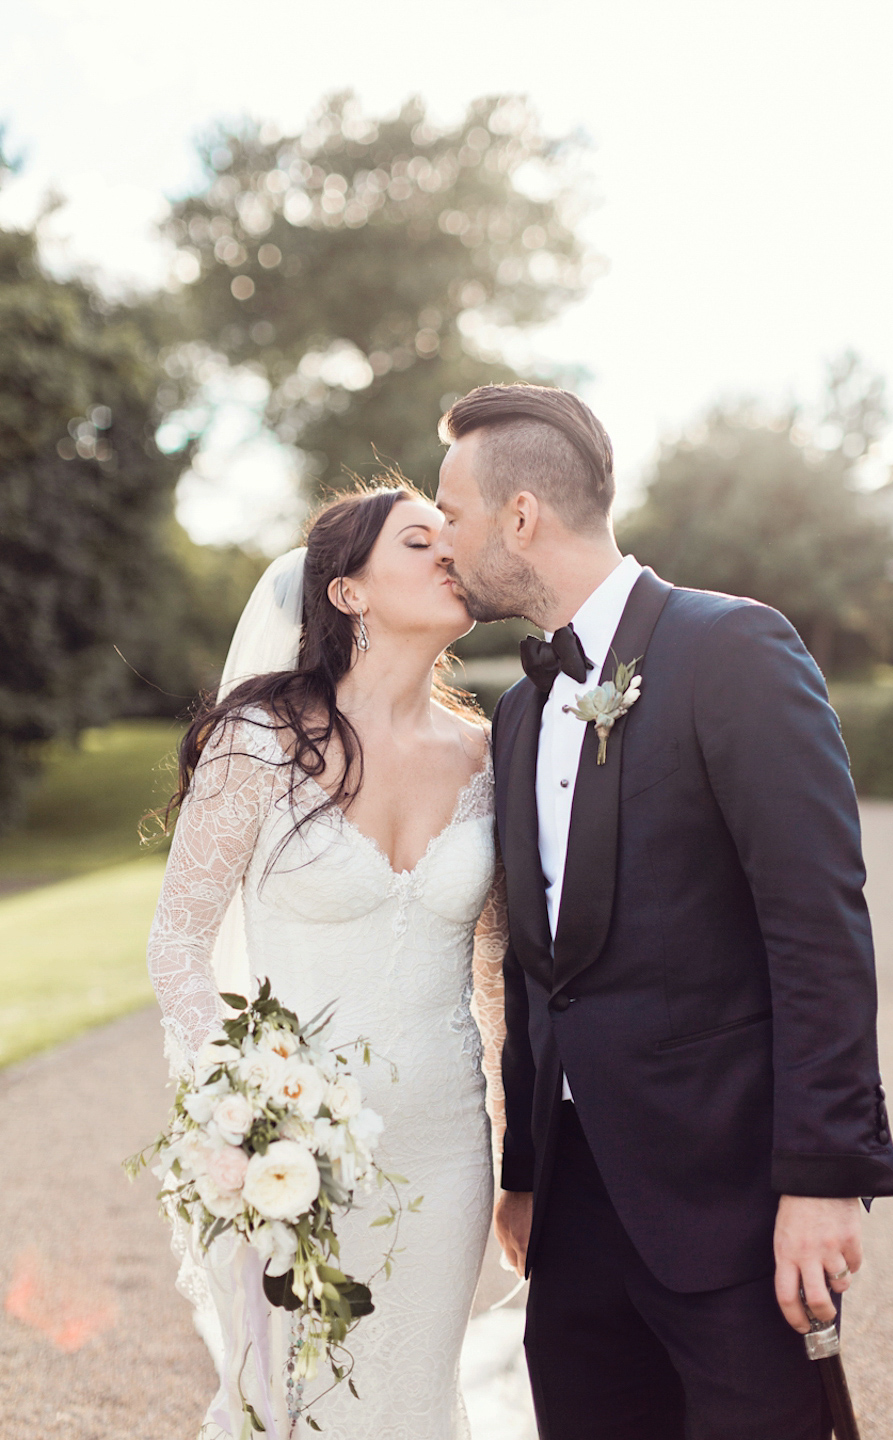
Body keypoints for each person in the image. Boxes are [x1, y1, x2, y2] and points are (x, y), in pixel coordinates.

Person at [435, 384, 893, 1440]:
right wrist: (524, 1175)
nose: (442, 542)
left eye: (453, 512)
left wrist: (826, 1180)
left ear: (522, 517)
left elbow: (818, 925)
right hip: (572, 1213)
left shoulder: (733, 650)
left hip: (732, 1204)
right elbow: (529, 962)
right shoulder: (518, 714)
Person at [147, 483, 508, 1440]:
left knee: (413, 1402)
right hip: (290, 1156)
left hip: (445, 1150)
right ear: (348, 592)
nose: (449, 556)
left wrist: (519, 1159)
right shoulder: (258, 742)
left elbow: (497, 975)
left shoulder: (488, 758)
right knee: (293, 1403)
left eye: (451, 540)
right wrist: (240, 1101)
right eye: (419, 542)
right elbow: (178, 940)